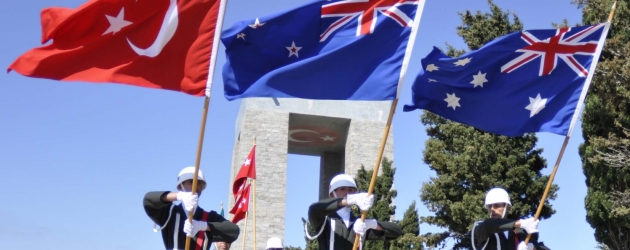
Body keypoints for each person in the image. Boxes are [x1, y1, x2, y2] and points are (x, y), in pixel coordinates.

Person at [144, 166, 240, 250]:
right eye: (191, 182)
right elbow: (148, 200)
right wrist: (179, 196)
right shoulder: (170, 213)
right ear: (181, 187)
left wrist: (202, 226)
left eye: (199, 183)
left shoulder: (209, 217)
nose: (196, 186)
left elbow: (233, 231)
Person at [307, 173, 403, 250]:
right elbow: (314, 210)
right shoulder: (325, 220)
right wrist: (348, 200)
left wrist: (371, 224)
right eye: (343, 189)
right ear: (332, 194)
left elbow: (396, 231)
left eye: (351, 190)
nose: (348, 193)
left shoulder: (359, 222)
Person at [471, 187, 550, 250]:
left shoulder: (518, 233)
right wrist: (521, 223)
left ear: (507, 207)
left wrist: (532, 247)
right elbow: (489, 225)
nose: (492, 209)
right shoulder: (481, 228)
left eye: (496, 205)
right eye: (489, 206)